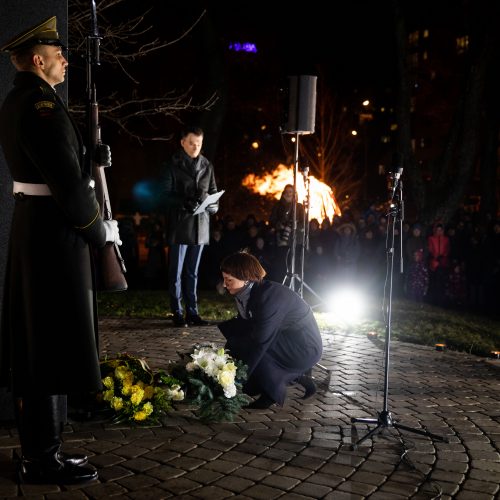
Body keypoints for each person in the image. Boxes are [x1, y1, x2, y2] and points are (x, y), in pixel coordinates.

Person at [0, 17, 122, 484]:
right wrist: (98, 232)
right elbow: (68, 185)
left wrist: (89, 157)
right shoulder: (40, 105)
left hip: (41, 230)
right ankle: (41, 458)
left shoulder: (29, 101)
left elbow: (60, 164)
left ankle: (42, 450)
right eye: (58, 54)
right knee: (47, 343)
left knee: (40, 341)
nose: (66, 60)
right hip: (54, 232)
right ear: (38, 59)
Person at [218, 252, 323, 409]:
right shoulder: (247, 292)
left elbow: (261, 342)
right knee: (239, 341)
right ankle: (293, 379)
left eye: (229, 280)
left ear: (245, 277)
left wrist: (238, 378)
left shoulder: (268, 298)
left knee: (251, 346)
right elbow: (244, 326)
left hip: (304, 348)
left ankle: (272, 391)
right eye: (224, 279)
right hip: (286, 340)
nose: (225, 285)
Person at [161, 126, 219, 327]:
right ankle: (177, 312)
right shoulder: (171, 164)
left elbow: (213, 192)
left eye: (199, 144)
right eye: (192, 143)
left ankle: (192, 313)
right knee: (175, 273)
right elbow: (164, 195)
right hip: (179, 227)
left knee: (192, 273)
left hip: (200, 226)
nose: (196, 147)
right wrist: (184, 202)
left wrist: (213, 206)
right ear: (182, 142)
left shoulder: (207, 165)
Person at [268, 184, 305, 283]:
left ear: (294, 194)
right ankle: (280, 285)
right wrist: (279, 225)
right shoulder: (278, 205)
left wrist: (295, 226)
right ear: (284, 193)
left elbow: (303, 223)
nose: (289, 194)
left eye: (291, 191)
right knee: (281, 264)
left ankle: (293, 287)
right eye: (287, 191)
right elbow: (272, 220)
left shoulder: (299, 207)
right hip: (282, 240)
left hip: (295, 240)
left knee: (294, 264)